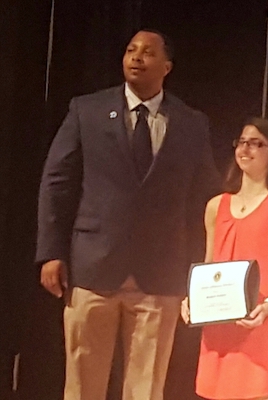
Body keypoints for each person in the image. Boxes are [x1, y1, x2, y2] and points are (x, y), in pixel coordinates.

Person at [36, 29, 221, 400]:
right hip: (93, 267)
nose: (137, 57)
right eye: (131, 50)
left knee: (146, 386)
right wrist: (50, 252)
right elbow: (57, 183)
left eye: (148, 52)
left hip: (158, 273)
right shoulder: (86, 110)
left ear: (166, 67)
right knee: (83, 381)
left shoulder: (190, 122)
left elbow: (206, 197)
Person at [181, 118, 268, 400]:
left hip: (262, 320)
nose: (245, 149)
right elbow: (209, 264)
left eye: (256, 143)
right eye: (242, 142)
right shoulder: (216, 205)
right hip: (221, 321)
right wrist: (193, 299)